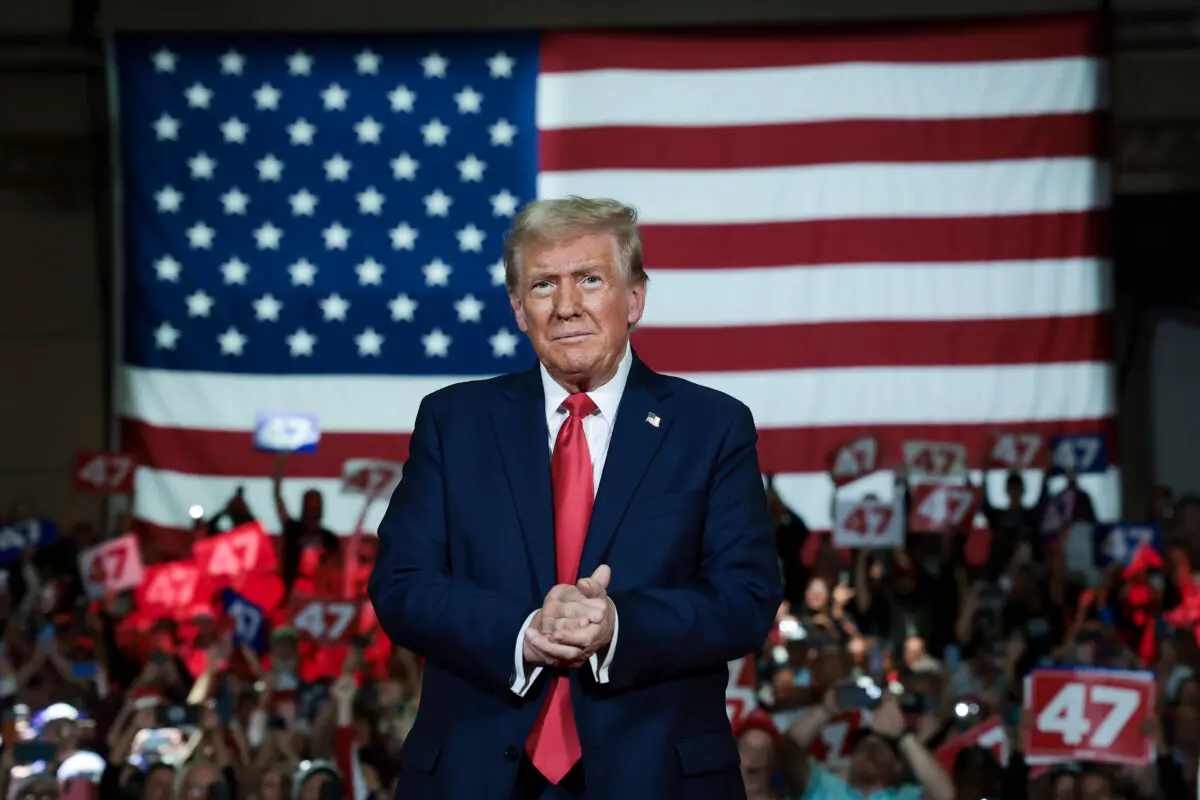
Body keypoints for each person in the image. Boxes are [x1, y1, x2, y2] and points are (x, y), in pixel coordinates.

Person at [368, 196, 783, 799]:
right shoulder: (453, 421)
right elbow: (401, 582)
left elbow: (746, 598)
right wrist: (522, 633)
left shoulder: (711, 427)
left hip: (656, 776)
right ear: (517, 308)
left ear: (635, 297)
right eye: (542, 285)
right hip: (473, 773)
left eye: (590, 279)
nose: (566, 306)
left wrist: (619, 626)